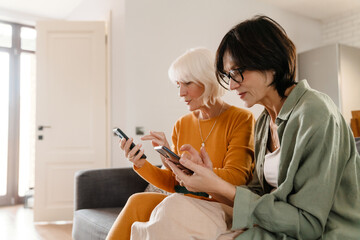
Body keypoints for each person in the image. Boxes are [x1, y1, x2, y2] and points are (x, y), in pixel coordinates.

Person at [134, 15, 360, 239]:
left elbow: (309, 225)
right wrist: (209, 179)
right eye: (228, 76)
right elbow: (257, 194)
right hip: (272, 225)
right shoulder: (264, 121)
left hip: (320, 234)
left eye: (237, 72)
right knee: (172, 208)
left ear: (270, 62)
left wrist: (218, 186)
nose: (231, 85)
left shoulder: (316, 113)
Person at [106, 47, 256, 240]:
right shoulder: (182, 124)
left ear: (207, 80)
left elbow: (237, 179)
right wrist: (142, 164)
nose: (181, 93)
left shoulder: (241, 119)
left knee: (173, 204)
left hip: (223, 205)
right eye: (178, 85)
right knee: (137, 201)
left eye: (187, 83)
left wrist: (193, 169)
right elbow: (175, 184)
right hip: (188, 202)